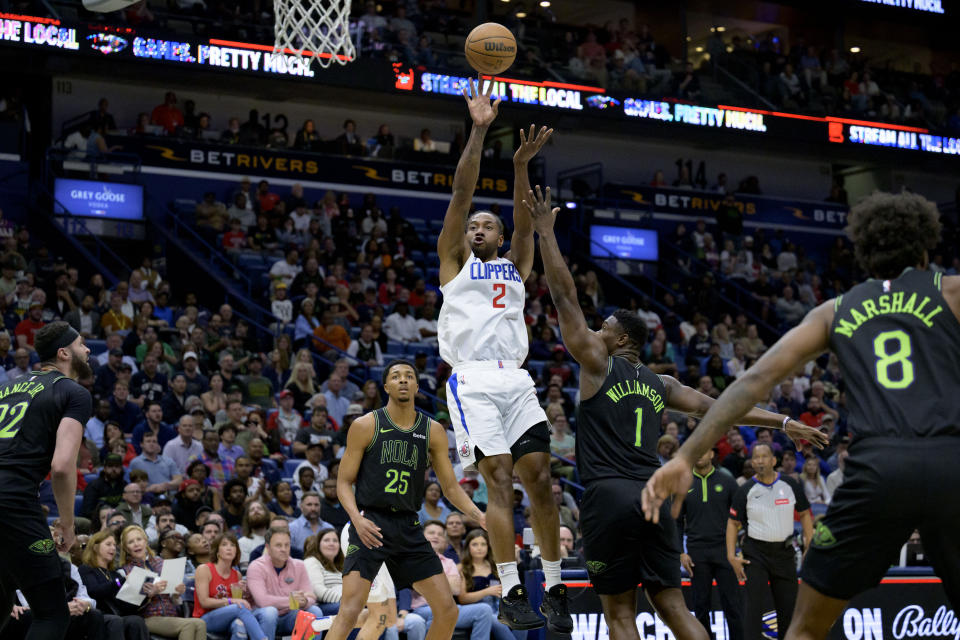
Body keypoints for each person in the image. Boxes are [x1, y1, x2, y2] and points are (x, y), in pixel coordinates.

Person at [642, 192, 960, 640]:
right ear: (927, 248)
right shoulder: (951, 291)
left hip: (877, 472)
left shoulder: (836, 310)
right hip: (950, 463)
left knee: (806, 629)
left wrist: (684, 455)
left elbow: (751, 382)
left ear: (865, 254)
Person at [522, 187, 826, 640]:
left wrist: (546, 233)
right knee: (674, 608)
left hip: (609, 497)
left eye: (604, 327)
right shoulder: (662, 385)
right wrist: (783, 422)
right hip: (653, 499)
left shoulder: (597, 363)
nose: (596, 330)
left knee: (620, 614)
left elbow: (565, 298)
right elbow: (726, 408)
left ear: (622, 339)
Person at [436, 78, 560, 631]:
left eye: (489, 224)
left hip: (516, 380)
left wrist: (519, 167)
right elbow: (462, 194)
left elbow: (526, 219)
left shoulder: (517, 265)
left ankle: (553, 588)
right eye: (474, 226)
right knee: (501, 476)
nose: (478, 227)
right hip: (473, 382)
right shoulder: (455, 261)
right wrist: (479, 132)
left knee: (540, 478)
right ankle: (511, 590)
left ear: (502, 236)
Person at [323, 359, 486, 640]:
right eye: (396, 376)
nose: (402, 380)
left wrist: (480, 516)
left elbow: (450, 487)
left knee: (448, 611)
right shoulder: (366, 425)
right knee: (350, 610)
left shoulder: (433, 430)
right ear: (385, 386)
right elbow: (343, 482)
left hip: (408, 526)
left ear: (417, 386)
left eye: (409, 376)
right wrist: (356, 520)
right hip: (370, 524)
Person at [0, 322, 93, 639]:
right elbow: (63, 466)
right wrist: (67, 524)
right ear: (64, 352)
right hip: (12, 502)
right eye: (82, 344)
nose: (89, 349)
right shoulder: (73, 392)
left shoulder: (4, 390)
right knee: (52, 614)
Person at [727, 443, 812, 640]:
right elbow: (732, 523)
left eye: (764, 456)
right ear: (752, 462)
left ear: (774, 460)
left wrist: (810, 544)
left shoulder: (790, 485)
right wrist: (731, 556)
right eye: (756, 457)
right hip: (755, 554)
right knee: (753, 610)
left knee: (788, 609)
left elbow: (805, 514)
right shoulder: (745, 489)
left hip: (784, 553)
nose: (759, 460)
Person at [678, 450, 744, 640]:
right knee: (700, 606)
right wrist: (680, 552)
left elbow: (741, 515)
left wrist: (740, 546)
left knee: (733, 605)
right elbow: (676, 521)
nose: (699, 453)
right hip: (697, 552)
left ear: (711, 454)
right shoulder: (684, 482)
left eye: (703, 449)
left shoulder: (727, 481)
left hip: (725, 550)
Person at [119, 524, 206, 639]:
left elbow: (175, 601)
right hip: (148, 617)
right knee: (189, 625)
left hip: (171, 614)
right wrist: (150, 593)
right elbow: (127, 608)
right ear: (126, 548)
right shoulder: (125, 571)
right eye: (131, 542)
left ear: (145, 541)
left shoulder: (160, 562)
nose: (136, 544)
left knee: (200, 624)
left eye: (139, 539)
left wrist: (177, 593)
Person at [193, 532, 275, 640]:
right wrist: (232, 601)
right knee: (238, 607)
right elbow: (204, 602)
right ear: (217, 550)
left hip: (230, 618)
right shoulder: (204, 569)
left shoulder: (237, 575)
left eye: (233, 545)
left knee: (240, 625)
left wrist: (246, 595)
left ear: (236, 551)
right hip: (205, 619)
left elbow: (240, 604)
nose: (229, 548)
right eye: (224, 545)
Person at [247, 526, 324, 636]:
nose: (284, 549)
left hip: (288, 616)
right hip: (262, 617)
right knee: (270, 612)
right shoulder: (256, 567)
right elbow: (263, 601)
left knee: (315, 611)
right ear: (268, 547)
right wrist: (292, 600)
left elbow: (311, 596)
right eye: (278, 545)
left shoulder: (299, 565)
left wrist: (305, 601)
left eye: (287, 545)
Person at [78, 529, 151, 640]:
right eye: (108, 544)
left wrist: (144, 594)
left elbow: (125, 606)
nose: (113, 548)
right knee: (115, 621)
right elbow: (94, 591)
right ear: (95, 547)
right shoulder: (86, 569)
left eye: (114, 545)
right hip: (98, 616)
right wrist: (121, 581)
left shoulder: (114, 573)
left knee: (136, 620)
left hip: (117, 616)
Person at [303, 528, 344, 614]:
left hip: (345, 603)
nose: (331, 543)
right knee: (351, 609)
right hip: (322, 606)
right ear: (318, 544)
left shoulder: (341, 566)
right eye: (326, 540)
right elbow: (318, 591)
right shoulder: (311, 561)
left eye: (335, 541)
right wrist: (346, 600)